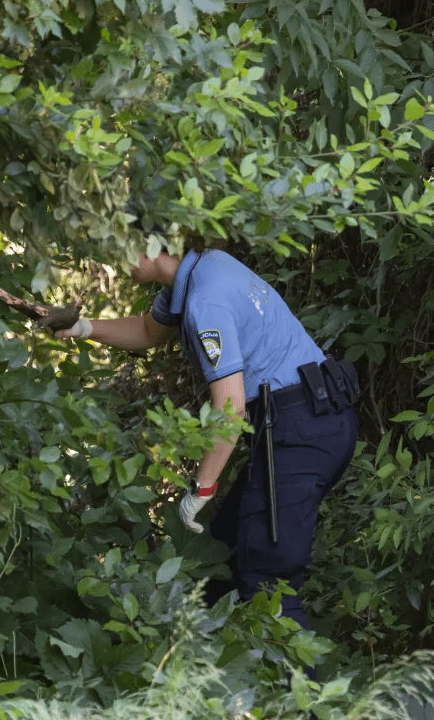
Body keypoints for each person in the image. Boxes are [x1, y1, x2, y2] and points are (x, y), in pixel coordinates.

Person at [55, 244, 359, 631]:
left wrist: (201, 488)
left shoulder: (206, 299)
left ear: (151, 244)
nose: (110, 256)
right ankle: (203, 674)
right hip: (313, 421)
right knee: (216, 559)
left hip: (300, 432)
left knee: (267, 585)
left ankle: (307, 691)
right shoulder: (204, 268)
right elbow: (149, 331)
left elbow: (229, 409)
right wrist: (82, 328)